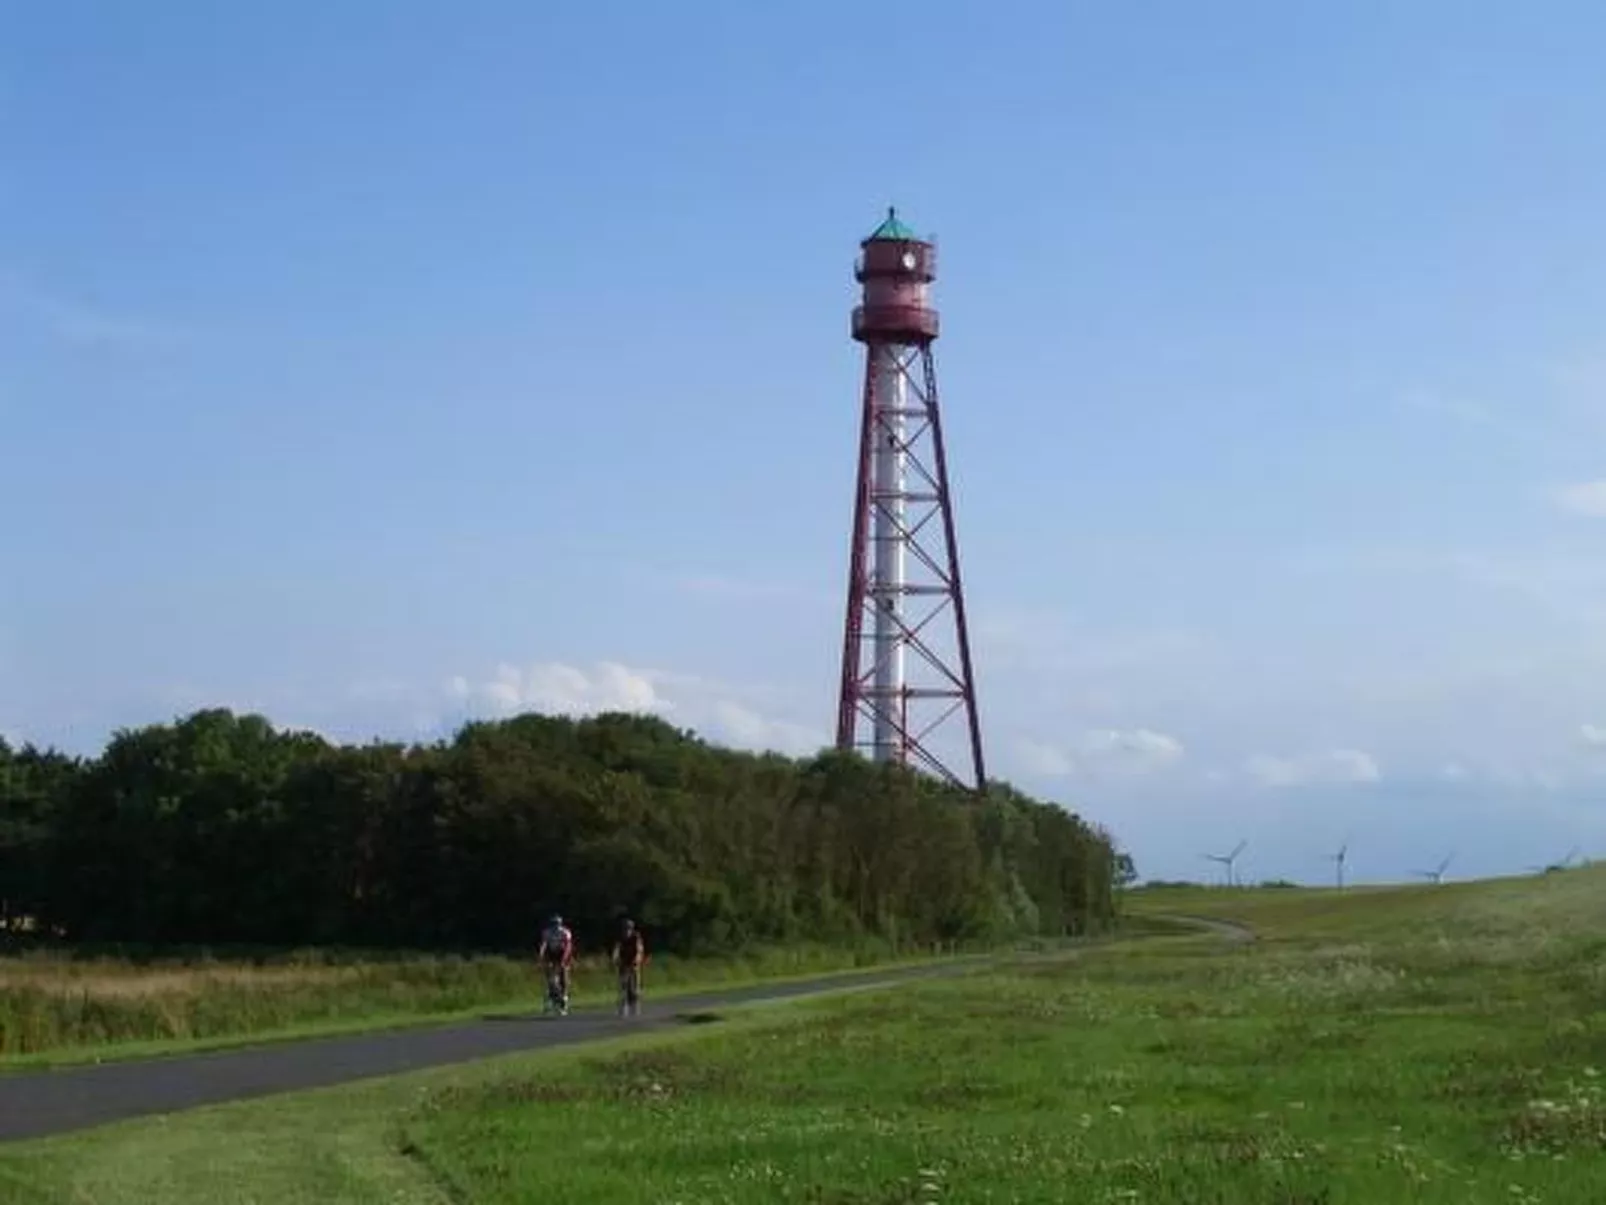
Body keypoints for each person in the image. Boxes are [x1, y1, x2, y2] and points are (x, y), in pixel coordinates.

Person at [538, 913, 575, 1015]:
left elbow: (568, 947)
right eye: (553, 924)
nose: (555, 926)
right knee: (550, 976)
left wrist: (563, 961)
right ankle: (552, 994)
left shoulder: (565, 932)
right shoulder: (547, 932)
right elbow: (544, 945)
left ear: (560, 924)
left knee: (563, 974)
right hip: (552, 954)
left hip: (563, 953)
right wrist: (541, 956)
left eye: (557, 924)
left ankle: (564, 996)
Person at [611, 917, 647, 1017]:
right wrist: (615, 959)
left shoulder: (636, 937)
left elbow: (639, 950)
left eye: (628, 929)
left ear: (632, 929)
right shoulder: (620, 938)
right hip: (623, 962)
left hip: (634, 962)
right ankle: (623, 1005)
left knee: (635, 985)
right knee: (623, 984)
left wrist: (637, 960)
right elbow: (616, 949)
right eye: (625, 929)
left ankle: (635, 1002)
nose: (626, 931)